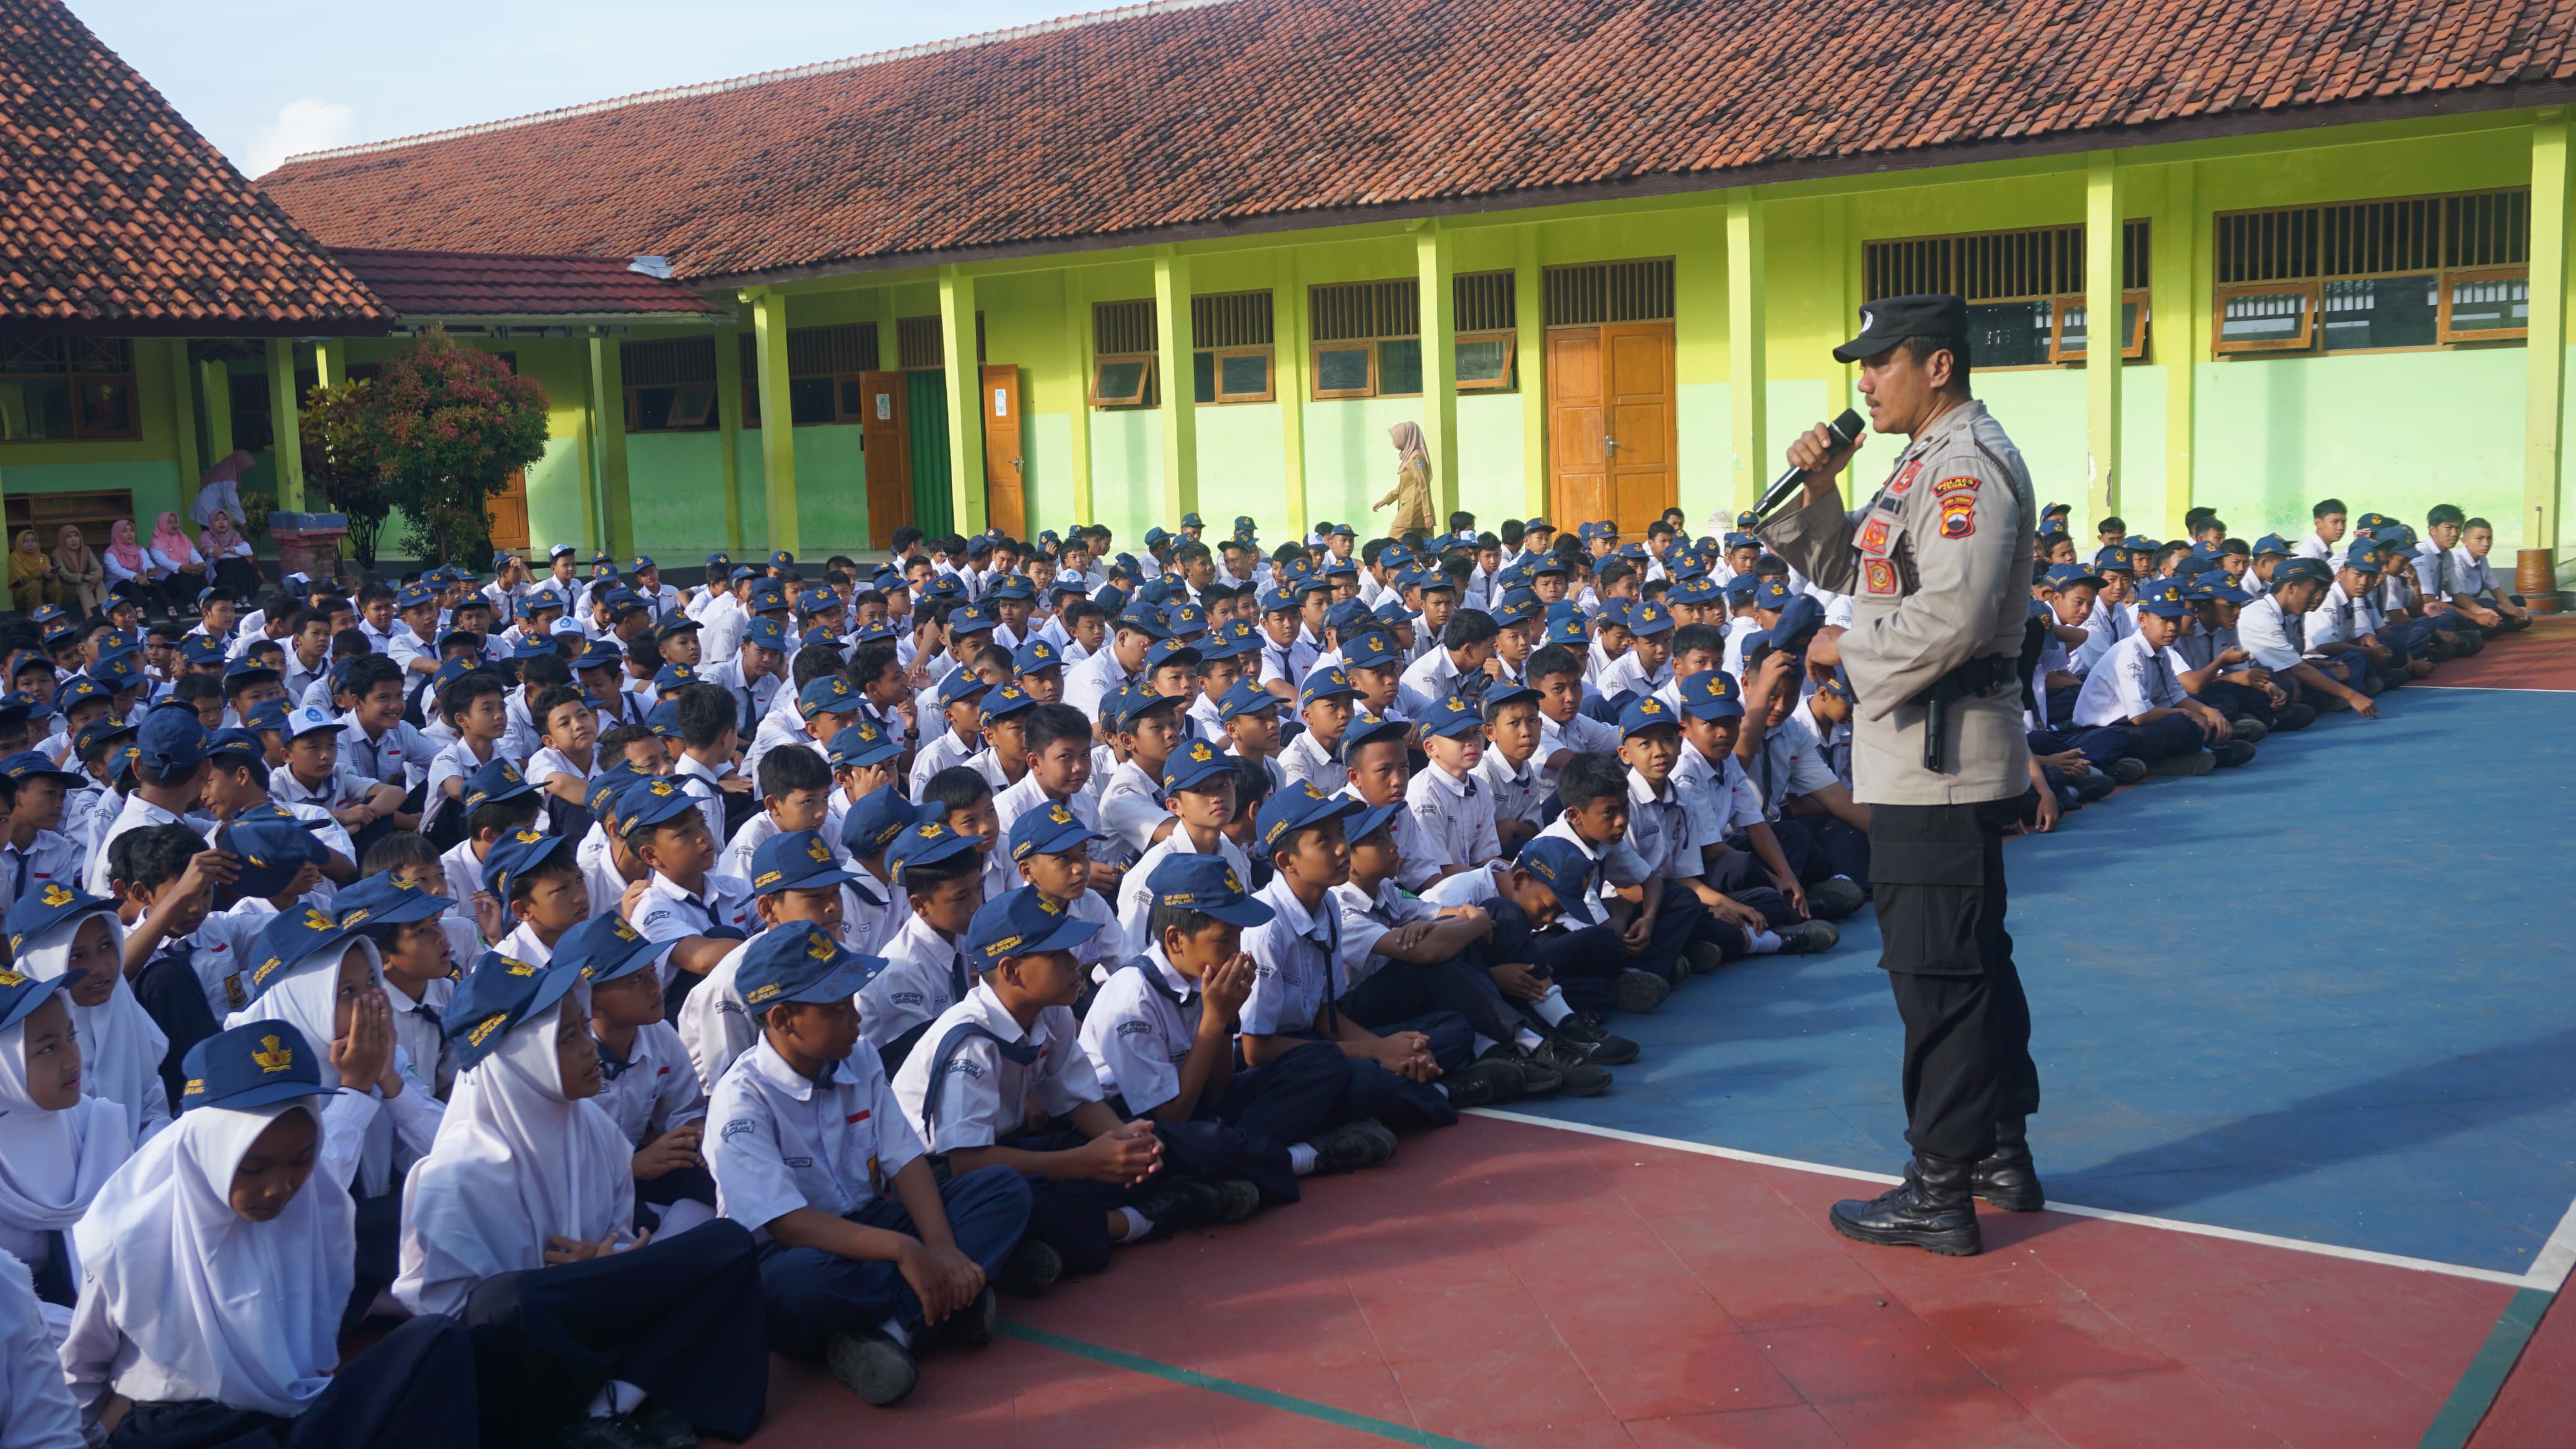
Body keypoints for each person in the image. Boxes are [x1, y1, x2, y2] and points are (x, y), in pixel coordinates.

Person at [1759, 294, 2041, 1257]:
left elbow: (1954, 620)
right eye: (1861, 366)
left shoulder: (1963, 466)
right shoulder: (1918, 462)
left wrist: (1845, 651)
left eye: (1882, 363)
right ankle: (1999, 1150)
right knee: (1971, 966)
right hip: (1931, 751)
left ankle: (1940, 1186)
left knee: (1937, 980)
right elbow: (1855, 566)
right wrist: (1824, 487)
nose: (1864, 383)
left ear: (1940, 368)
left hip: (1940, 757)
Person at [399, 951, 768, 1449]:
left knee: (727, 1243)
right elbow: (450, 1322)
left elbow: (613, 1234)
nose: (589, 1049)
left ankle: (609, 1409)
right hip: (520, 1364)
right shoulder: (453, 1177)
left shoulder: (593, 1126)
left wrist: (612, 1261)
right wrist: (576, 1277)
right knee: (507, 1302)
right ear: (519, 1060)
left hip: (596, 1312)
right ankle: (614, 1402)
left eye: (582, 1029)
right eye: (567, 1038)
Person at [62, 1020, 480, 1449]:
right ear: (208, 1152)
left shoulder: (311, 1206)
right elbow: (81, 1370)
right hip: (186, 1432)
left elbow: (332, 1152)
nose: (279, 1187)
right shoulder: (127, 1241)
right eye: (254, 1168)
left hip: (291, 1410)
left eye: (301, 1161)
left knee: (435, 1344)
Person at [706, 922, 1027, 1406]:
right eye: (836, 1009)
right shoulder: (741, 1100)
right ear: (782, 1018)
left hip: (869, 1221)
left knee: (1002, 1190)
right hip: (799, 1251)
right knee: (795, 1286)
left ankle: (894, 1331)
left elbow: (906, 1160)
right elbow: (789, 1226)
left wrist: (939, 1247)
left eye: (852, 1001)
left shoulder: (858, 1058)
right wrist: (906, 1252)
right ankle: (938, 1305)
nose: (855, 1018)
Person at [0, 960, 131, 1341]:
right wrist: (87, 1340)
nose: (73, 1060)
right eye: (47, 1049)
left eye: (71, 1037)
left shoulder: (98, 1126)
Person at [1372, 421, 1437, 536]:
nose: (1393, 442)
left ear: (1406, 438)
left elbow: (1424, 486)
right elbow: (1403, 487)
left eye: (1395, 438)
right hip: (1415, 510)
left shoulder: (1416, 460)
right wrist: (1385, 501)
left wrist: (1427, 514)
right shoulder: (1409, 458)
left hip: (1412, 511)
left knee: (1393, 540)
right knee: (1426, 544)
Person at [196, 510, 263, 598]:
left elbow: (248, 550)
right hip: (216, 573)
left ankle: (243, 599)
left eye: (225, 519)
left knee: (241, 562)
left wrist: (228, 549)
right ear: (211, 522)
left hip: (234, 568)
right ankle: (235, 598)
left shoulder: (234, 534)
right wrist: (238, 552)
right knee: (230, 563)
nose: (221, 522)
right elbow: (216, 554)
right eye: (217, 520)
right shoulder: (206, 535)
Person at [9, 529, 59, 614]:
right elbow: (23, 580)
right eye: (25, 542)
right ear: (19, 543)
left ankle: (55, 613)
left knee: (55, 583)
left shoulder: (43, 557)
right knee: (35, 585)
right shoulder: (15, 557)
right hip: (23, 597)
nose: (30, 544)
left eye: (33, 541)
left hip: (43, 591)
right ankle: (35, 617)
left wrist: (51, 574)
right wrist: (41, 573)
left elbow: (48, 572)